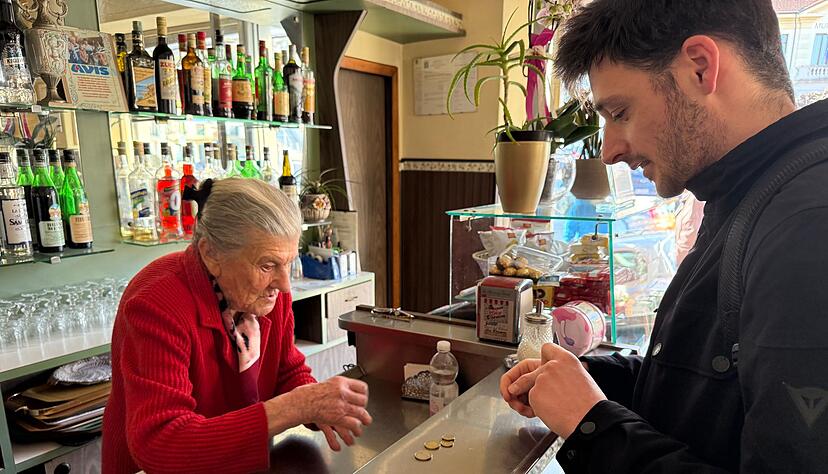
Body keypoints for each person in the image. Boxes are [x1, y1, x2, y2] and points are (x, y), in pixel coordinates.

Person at [501, 0, 828, 471]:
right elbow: (716, 390)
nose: (610, 150)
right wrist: (587, 381)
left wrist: (591, 422)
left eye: (620, 111)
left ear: (699, 67)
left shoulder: (809, 223)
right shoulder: (746, 191)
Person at [102, 178, 372, 473]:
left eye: (288, 262)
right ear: (211, 254)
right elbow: (162, 444)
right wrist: (297, 405)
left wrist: (316, 404)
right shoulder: (157, 303)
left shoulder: (267, 293)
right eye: (267, 265)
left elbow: (286, 370)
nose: (283, 285)